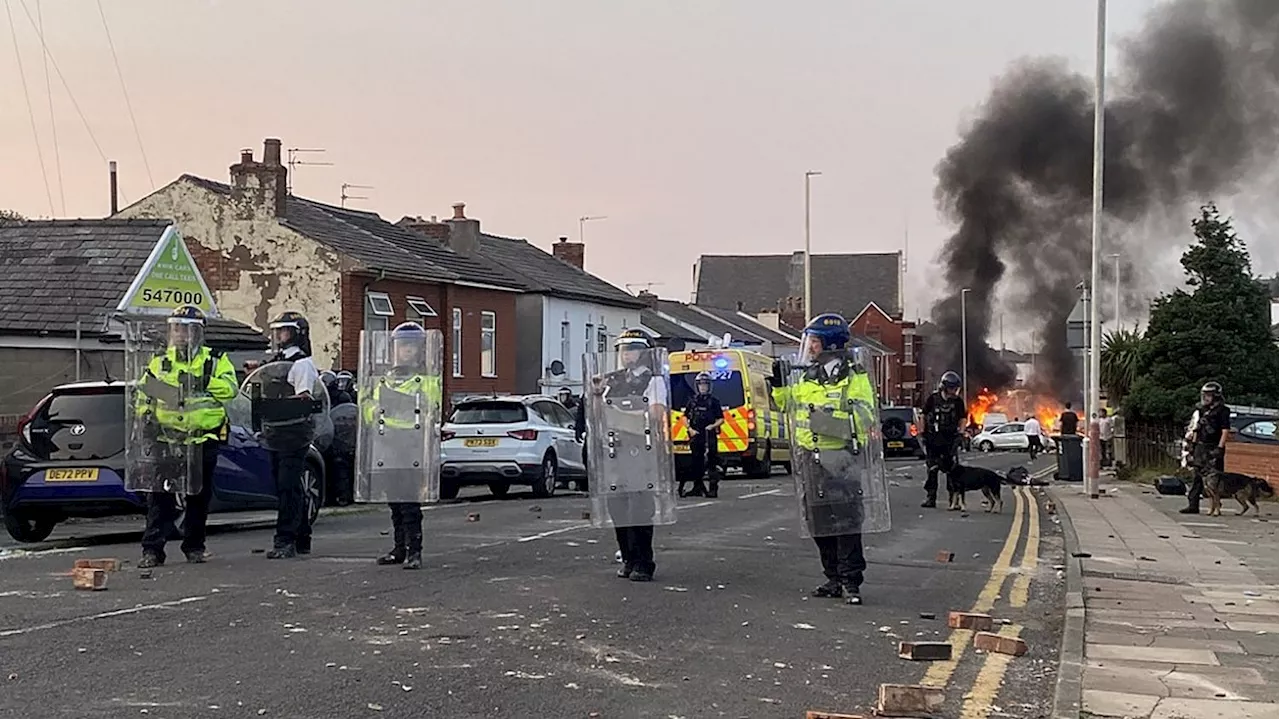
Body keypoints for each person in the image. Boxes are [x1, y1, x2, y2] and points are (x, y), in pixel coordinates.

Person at [770, 313, 880, 605]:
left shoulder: (854, 377)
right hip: (810, 457)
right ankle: (832, 576)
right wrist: (779, 384)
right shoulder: (807, 375)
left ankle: (850, 581)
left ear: (830, 344)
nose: (811, 347)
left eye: (815, 341)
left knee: (846, 520)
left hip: (841, 457)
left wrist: (827, 421)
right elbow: (786, 406)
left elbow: (865, 416)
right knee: (816, 519)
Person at [134, 306, 238, 568]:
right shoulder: (160, 361)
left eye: (185, 328)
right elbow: (145, 395)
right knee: (160, 497)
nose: (180, 334)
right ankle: (152, 550)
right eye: (176, 328)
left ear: (197, 332)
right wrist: (146, 418)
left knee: (198, 499)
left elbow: (230, 390)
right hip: (167, 440)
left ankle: (194, 547)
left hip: (203, 440)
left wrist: (204, 381)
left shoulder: (214, 360)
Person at [589, 329, 671, 582]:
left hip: (640, 447)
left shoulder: (653, 380)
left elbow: (656, 413)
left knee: (639, 506)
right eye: (623, 350)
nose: (627, 355)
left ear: (644, 353)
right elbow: (596, 415)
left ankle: (644, 562)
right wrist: (594, 394)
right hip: (614, 448)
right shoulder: (612, 381)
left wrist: (622, 416)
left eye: (633, 349)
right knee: (617, 506)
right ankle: (627, 557)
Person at [363, 323, 441, 570]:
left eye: (410, 347)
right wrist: (372, 412)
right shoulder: (383, 380)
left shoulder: (425, 380)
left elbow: (432, 410)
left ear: (419, 350)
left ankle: (415, 551)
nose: (405, 351)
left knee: (409, 500)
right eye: (401, 346)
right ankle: (399, 548)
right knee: (394, 500)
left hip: (411, 444)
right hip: (387, 443)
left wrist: (406, 407)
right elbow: (369, 410)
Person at [264, 311, 322, 559]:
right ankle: (302, 535)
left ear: (297, 334)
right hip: (277, 431)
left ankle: (285, 539)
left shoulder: (301, 364)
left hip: (295, 432)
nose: (279, 336)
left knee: (288, 486)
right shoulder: (277, 360)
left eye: (284, 331)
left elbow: (303, 398)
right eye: (277, 331)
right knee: (288, 486)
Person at [1181, 381, 1230, 515]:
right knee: (1197, 476)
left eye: (1209, 395)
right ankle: (1193, 504)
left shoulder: (1223, 411)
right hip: (1201, 446)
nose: (1205, 398)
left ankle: (1216, 505)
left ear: (1216, 396)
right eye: (1204, 395)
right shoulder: (1202, 410)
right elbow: (1198, 428)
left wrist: (1220, 447)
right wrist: (1193, 446)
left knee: (1215, 478)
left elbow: (1225, 430)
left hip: (1213, 446)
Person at [920, 371, 966, 508]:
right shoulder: (933, 399)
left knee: (952, 470)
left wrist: (961, 433)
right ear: (944, 387)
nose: (954, 391)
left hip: (950, 439)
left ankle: (953, 500)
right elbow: (923, 414)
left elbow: (963, 418)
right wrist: (922, 431)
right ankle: (931, 498)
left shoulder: (957, 402)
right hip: (933, 439)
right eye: (952, 388)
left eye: (956, 388)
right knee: (932, 469)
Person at [679, 371, 725, 498]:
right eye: (701, 385)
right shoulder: (693, 401)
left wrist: (713, 426)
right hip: (696, 435)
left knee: (711, 462)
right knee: (696, 462)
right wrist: (689, 429)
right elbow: (684, 417)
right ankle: (697, 487)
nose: (703, 387)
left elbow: (721, 418)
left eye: (705, 385)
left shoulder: (714, 402)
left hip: (709, 435)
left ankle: (713, 489)